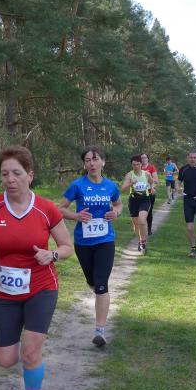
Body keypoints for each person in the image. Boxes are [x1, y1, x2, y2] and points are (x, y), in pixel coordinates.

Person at [0, 145, 73, 390]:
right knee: (6, 360)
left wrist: (52, 255)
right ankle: (30, 364)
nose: (10, 179)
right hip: (5, 291)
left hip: (41, 287)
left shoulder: (46, 209)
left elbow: (67, 247)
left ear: (30, 175)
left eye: (16, 173)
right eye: (5, 174)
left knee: (30, 352)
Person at [59, 146, 122, 348]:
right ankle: (101, 295)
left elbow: (118, 204)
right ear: (84, 164)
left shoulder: (111, 186)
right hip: (83, 242)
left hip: (105, 240)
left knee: (101, 284)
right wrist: (76, 216)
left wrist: (116, 213)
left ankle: (100, 331)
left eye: (95, 159)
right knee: (92, 282)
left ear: (103, 162)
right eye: (87, 160)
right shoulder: (77, 185)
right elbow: (60, 208)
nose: (92, 163)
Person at [121, 154, 153, 253]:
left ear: (141, 164)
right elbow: (123, 189)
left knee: (142, 221)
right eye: (134, 165)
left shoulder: (146, 174)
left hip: (145, 200)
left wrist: (152, 188)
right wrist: (131, 183)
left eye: (138, 164)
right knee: (136, 225)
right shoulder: (129, 175)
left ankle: (143, 243)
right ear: (132, 165)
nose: (136, 166)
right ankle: (140, 241)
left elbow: (151, 182)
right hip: (133, 201)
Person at [140, 153, 159, 236]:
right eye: (142, 158)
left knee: (149, 211)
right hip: (139, 193)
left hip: (150, 192)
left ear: (148, 159)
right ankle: (141, 228)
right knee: (140, 211)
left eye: (145, 157)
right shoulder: (138, 168)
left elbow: (156, 180)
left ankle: (149, 229)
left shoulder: (151, 168)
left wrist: (150, 181)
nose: (143, 159)